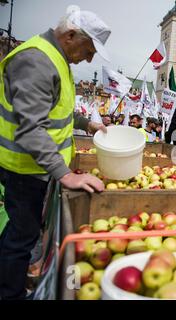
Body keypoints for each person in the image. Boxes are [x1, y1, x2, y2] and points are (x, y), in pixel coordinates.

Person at [0, 9, 111, 299]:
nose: (89, 59)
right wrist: (64, 175)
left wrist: (89, 123)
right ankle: (9, 293)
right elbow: (31, 129)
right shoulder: (37, 60)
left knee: (22, 233)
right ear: (71, 36)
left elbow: (56, 109)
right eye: (88, 51)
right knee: (21, 237)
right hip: (25, 168)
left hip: (36, 168)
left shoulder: (56, 58)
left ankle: (12, 281)